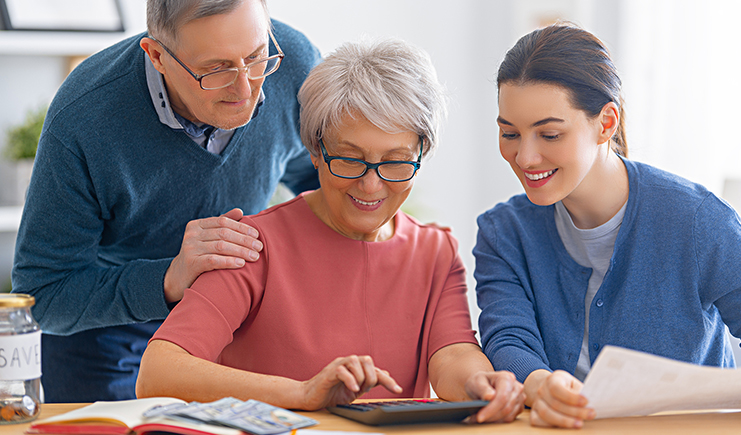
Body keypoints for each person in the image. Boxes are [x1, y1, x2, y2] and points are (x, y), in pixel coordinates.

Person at [136, 38, 525, 423]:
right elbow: (159, 372)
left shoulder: (434, 250)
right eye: (350, 159)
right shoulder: (254, 245)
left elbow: (452, 354)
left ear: (422, 153)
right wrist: (301, 394)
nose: (371, 186)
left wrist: (481, 383)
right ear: (316, 151)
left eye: (396, 162)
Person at [11, 0, 320, 402]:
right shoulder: (84, 117)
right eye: (215, 69)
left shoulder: (294, 62)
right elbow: (45, 292)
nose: (246, 88)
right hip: (105, 344)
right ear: (157, 56)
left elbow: (315, 173)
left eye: (256, 58)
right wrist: (168, 279)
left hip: (233, 325)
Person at [474, 23, 741, 429]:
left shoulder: (696, 220)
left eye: (549, 133)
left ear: (606, 122)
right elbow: (508, 338)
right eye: (509, 133)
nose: (525, 157)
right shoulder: (503, 233)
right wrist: (540, 385)